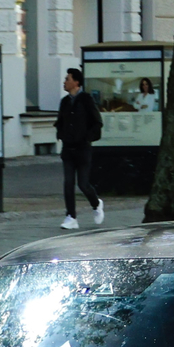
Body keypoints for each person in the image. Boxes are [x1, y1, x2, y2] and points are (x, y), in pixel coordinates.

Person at [56, 66, 103, 229]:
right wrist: (61, 134)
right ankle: (71, 217)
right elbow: (60, 122)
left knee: (83, 184)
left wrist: (87, 138)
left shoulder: (86, 100)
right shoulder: (64, 102)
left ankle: (96, 204)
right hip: (68, 149)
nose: (65, 82)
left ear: (76, 82)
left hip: (83, 149)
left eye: (67, 79)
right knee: (68, 182)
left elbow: (97, 122)